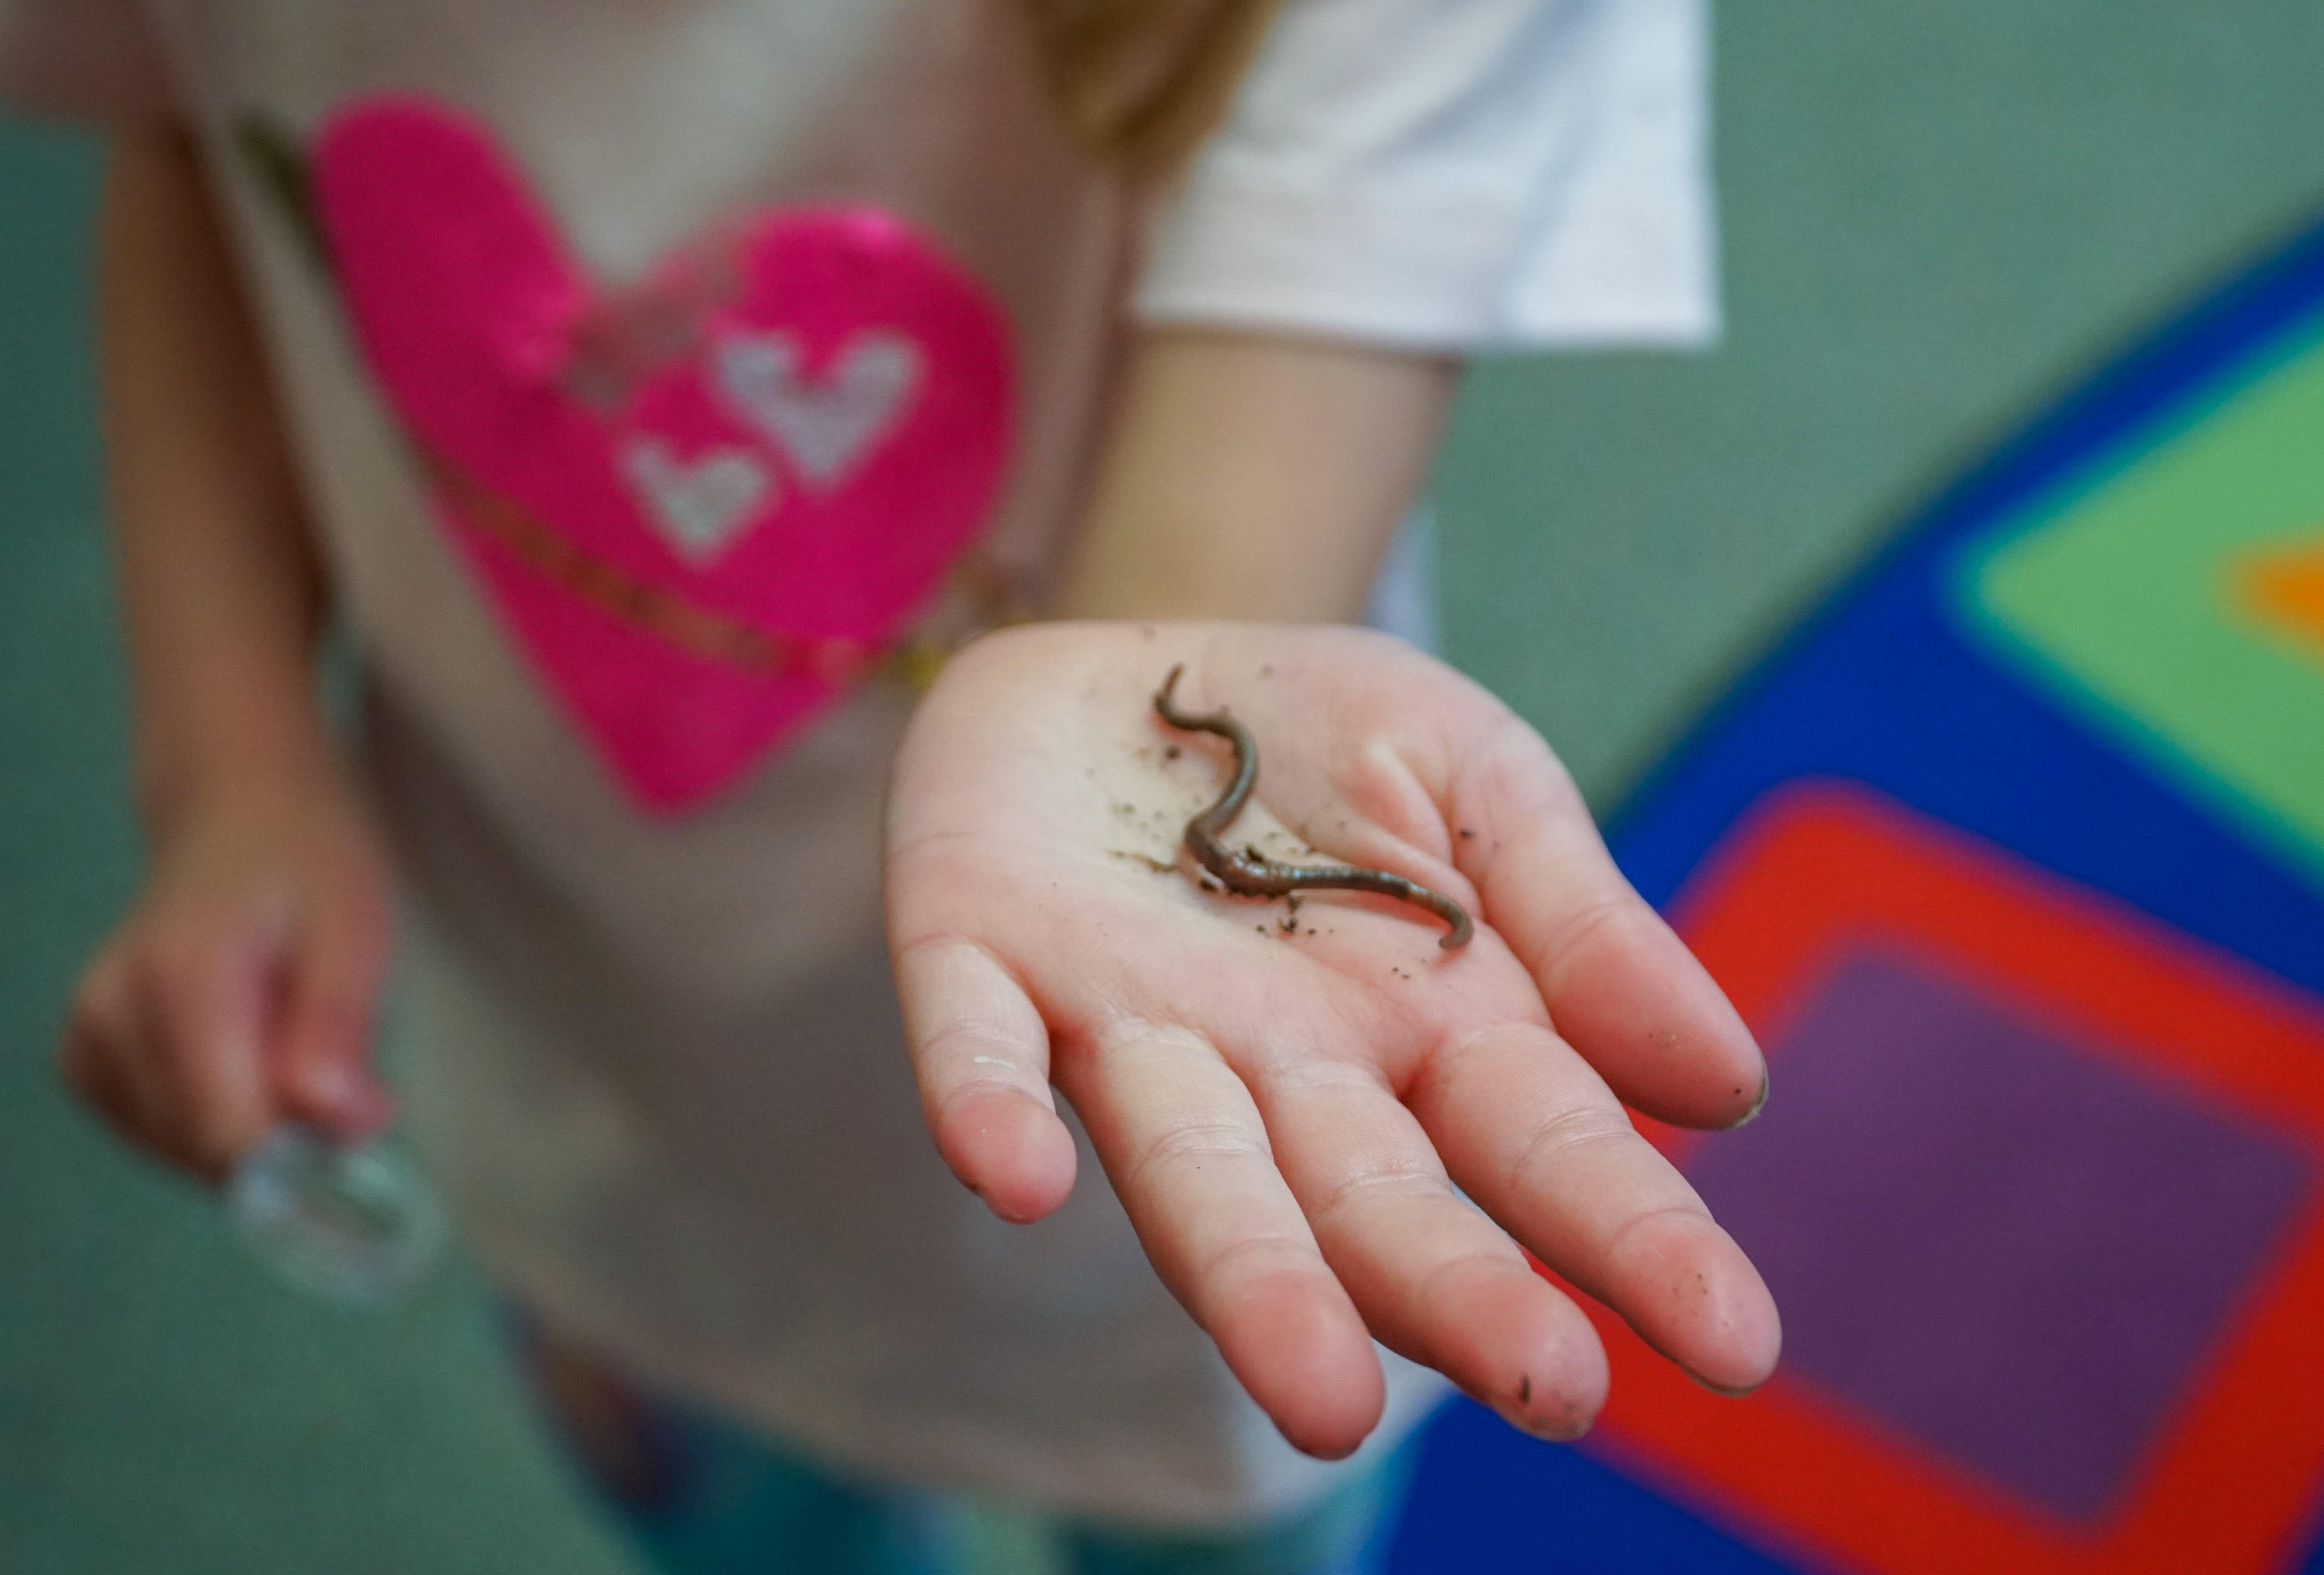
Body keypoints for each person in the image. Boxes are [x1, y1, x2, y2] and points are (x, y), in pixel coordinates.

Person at [5, 0, 1779, 1568]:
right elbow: (197, 151)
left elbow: (1197, 610)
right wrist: (230, 761)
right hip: (606, 1111)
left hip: (1166, 1225)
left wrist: (1110, 713)